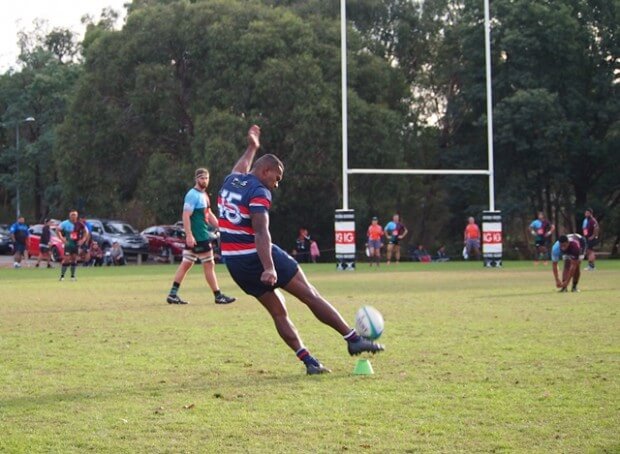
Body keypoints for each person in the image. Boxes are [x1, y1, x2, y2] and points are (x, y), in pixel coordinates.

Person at [218, 125, 384, 375]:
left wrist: (252, 147)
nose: (276, 185)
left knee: (278, 312)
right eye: (276, 178)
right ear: (265, 171)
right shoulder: (259, 191)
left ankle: (309, 361)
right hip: (255, 255)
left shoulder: (233, 180)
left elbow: (241, 166)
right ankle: (352, 340)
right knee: (309, 293)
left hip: (234, 263)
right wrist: (269, 267)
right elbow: (261, 231)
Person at [166, 167, 236, 305]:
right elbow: (186, 215)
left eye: (207, 178)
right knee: (209, 264)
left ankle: (173, 294)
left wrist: (221, 227)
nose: (205, 180)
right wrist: (189, 235)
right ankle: (218, 295)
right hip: (200, 236)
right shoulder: (192, 195)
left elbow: (208, 214)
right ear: (196, 179)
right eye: (202, 178)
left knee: (186, 263)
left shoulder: (204, 195)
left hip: (200, 235)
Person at [56, 210, 89, 281]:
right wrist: (62, 239)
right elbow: (57, 230)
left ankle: (72, 276)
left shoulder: (80, 224)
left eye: (74, 215)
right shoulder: (65, 223)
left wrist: (82, 240)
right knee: (66, 259)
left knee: (74, 259)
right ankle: (62, 276)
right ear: (69, 216)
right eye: (72, 215)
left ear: (77, 216)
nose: (73, 216)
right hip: (68, 244)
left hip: (76, 244)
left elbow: (86, 232)